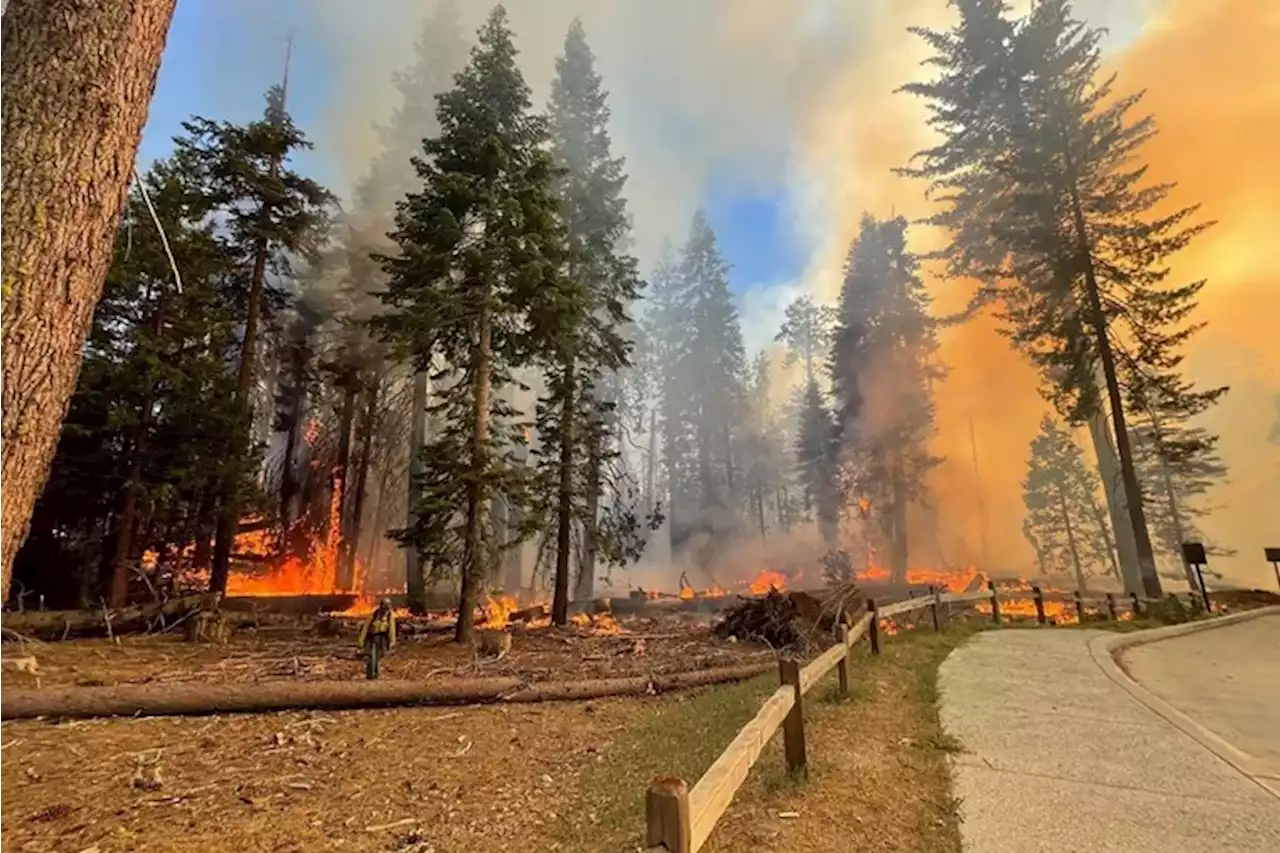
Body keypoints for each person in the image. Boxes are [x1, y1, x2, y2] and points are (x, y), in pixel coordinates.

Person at [356, 598, 397, 680]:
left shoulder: (389, 616)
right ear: (381, 606)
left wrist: (392, 641)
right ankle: (370, 675)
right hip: (372, 637)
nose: (386, 609)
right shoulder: (374, 614)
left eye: (388, 606)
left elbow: (392, 629)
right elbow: (365, 627)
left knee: (378, 657)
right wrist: (361, 640)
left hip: (382, 638)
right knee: (372, 656)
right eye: (385, 606)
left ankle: (376, 674)